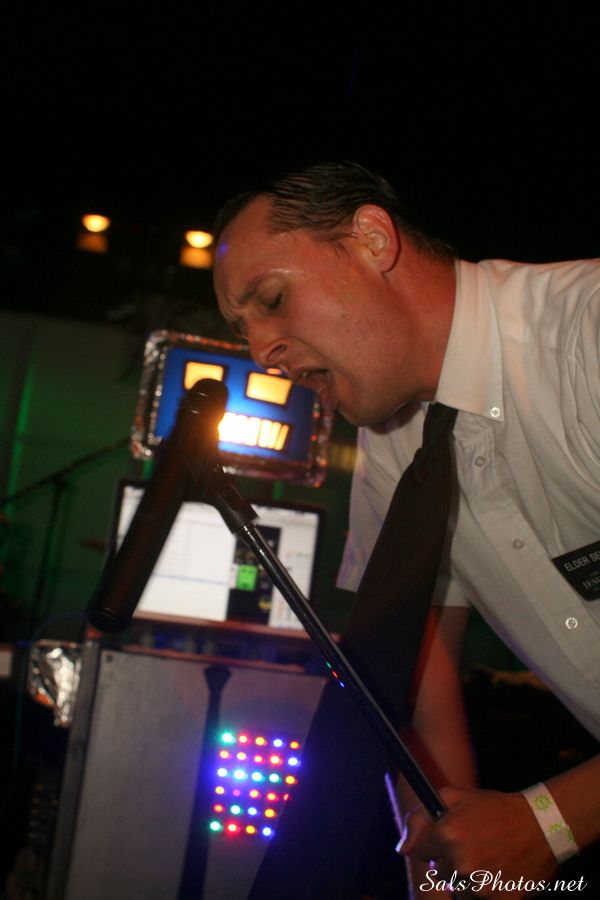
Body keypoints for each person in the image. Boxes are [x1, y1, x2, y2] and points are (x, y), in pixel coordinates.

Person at [212, 160, 600, 897]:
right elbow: (414, 655)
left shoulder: (585, 333)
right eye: (243, 328)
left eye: (272, 299)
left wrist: (549, 822)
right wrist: (443, 821)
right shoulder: (394, 446)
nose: (261, 351)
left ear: (372, 239)